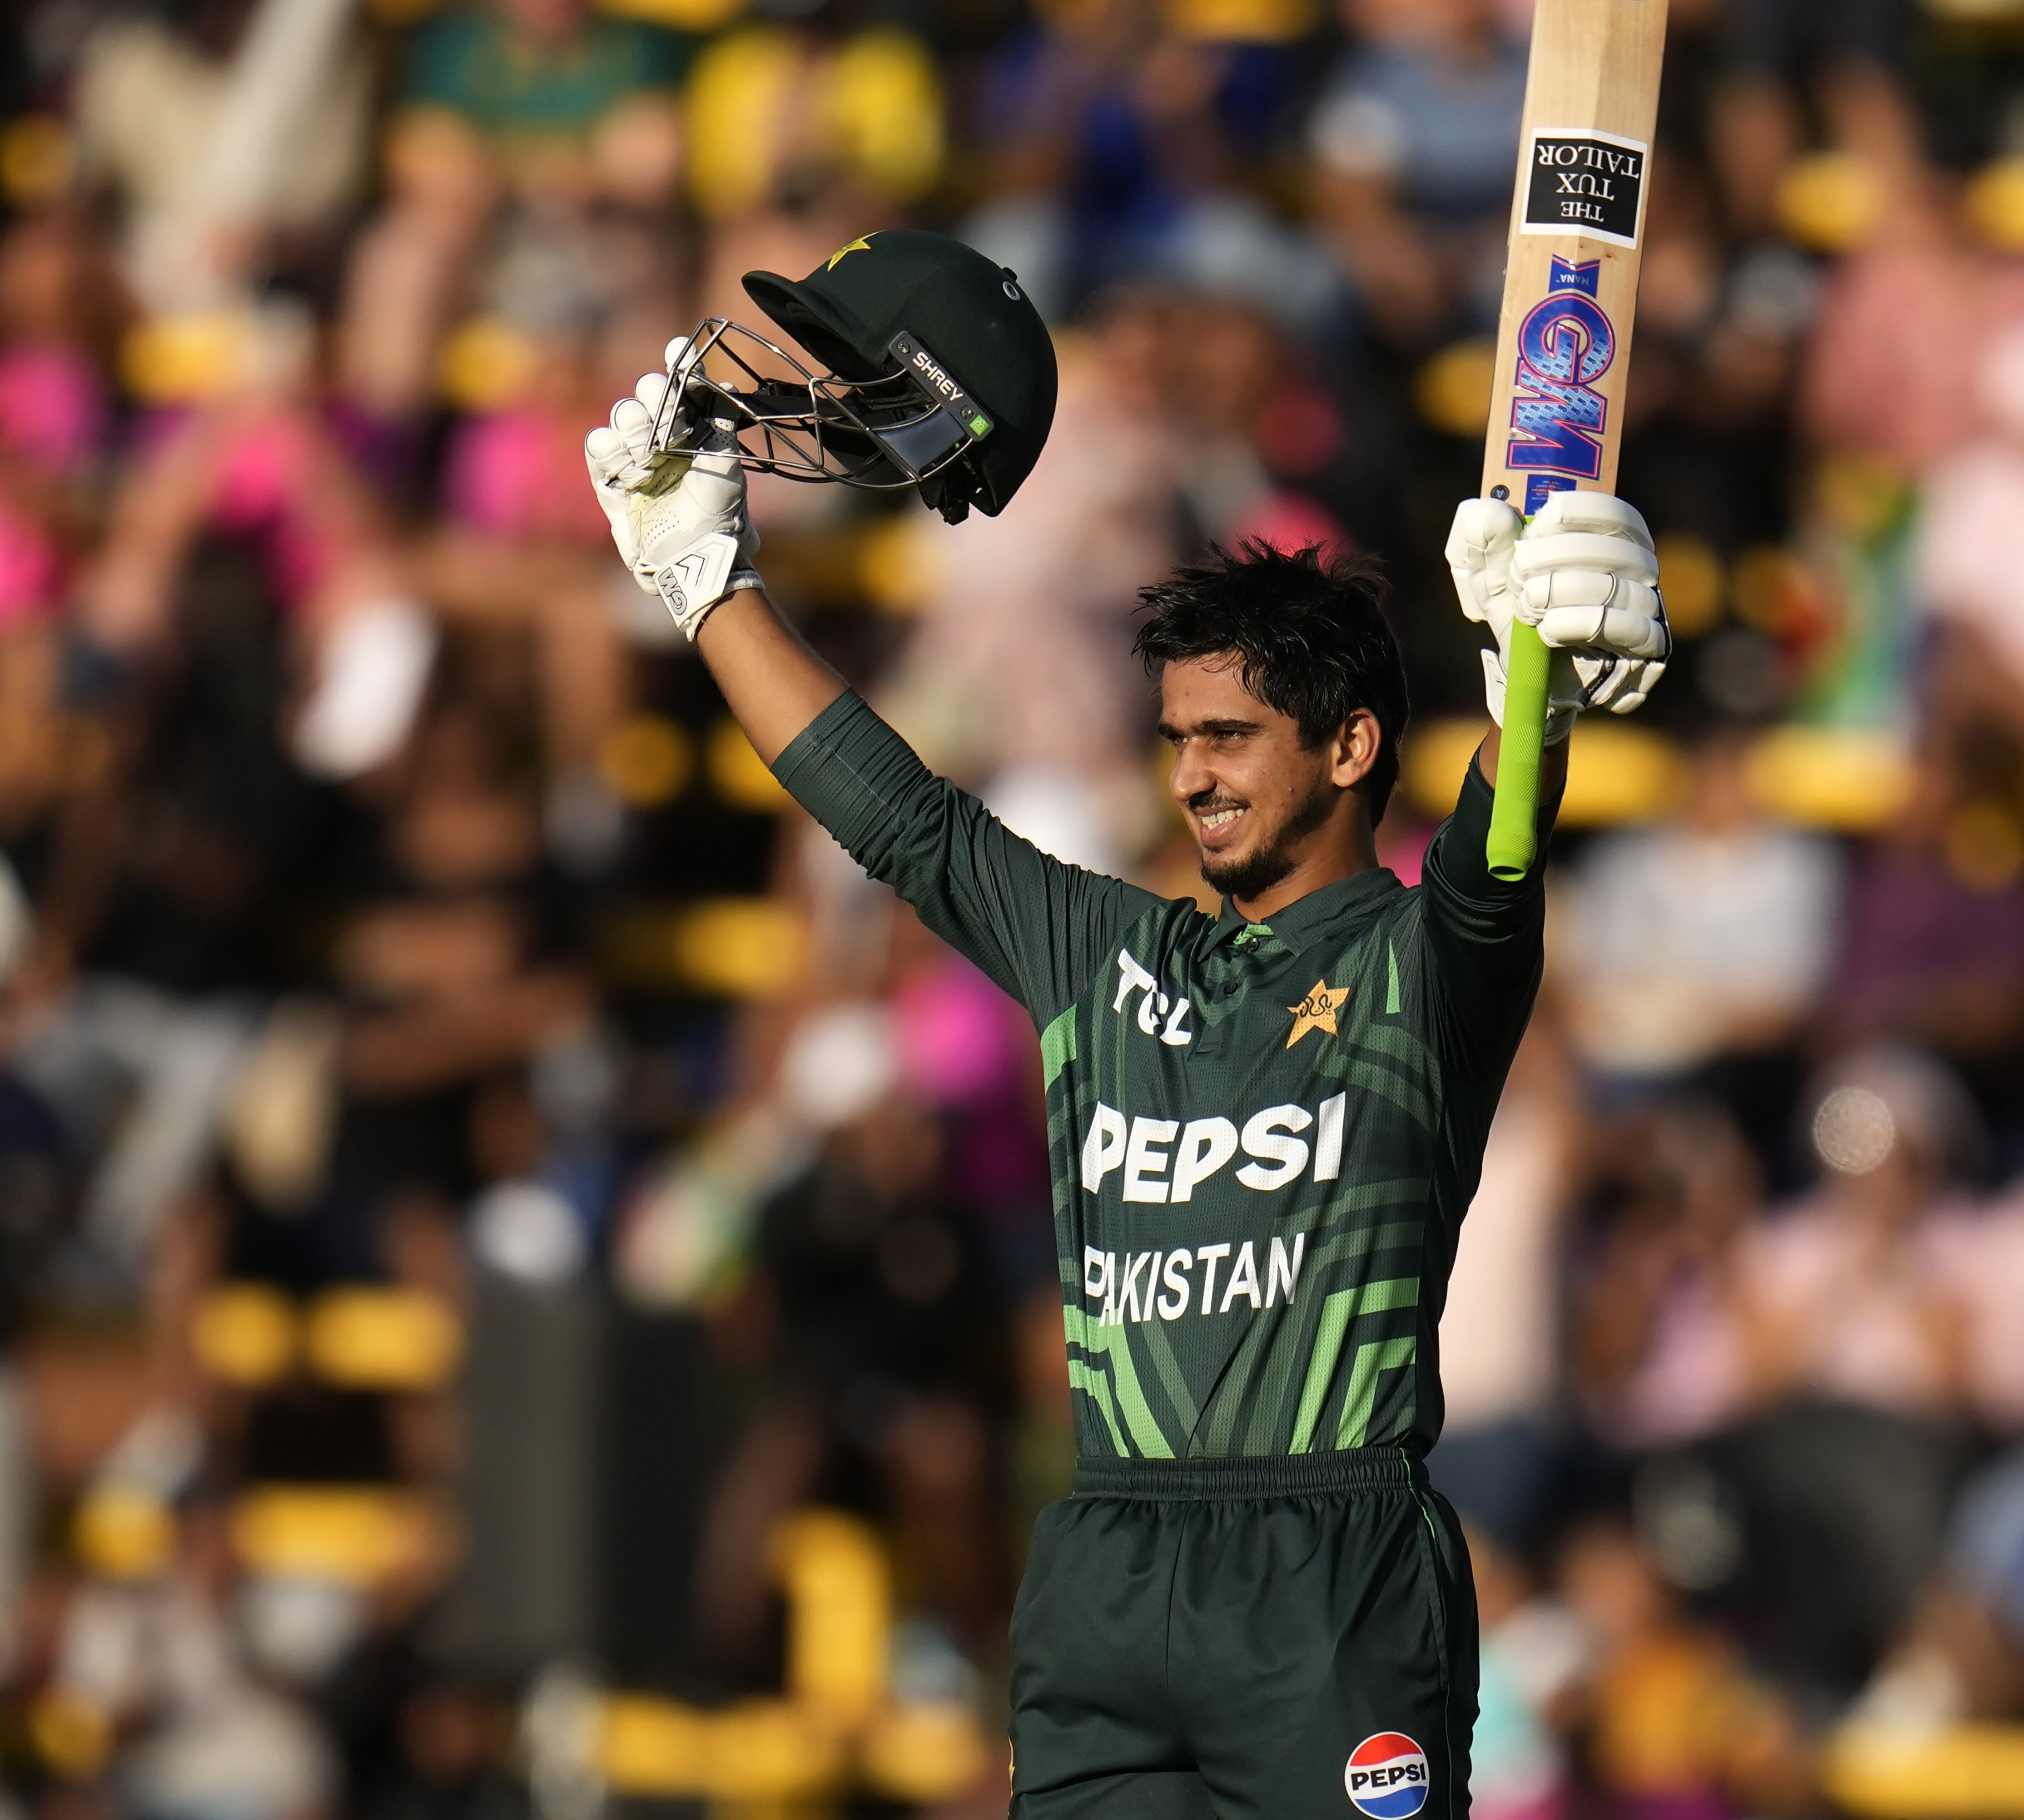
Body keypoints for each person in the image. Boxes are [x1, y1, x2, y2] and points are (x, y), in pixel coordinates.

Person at [581, 228, 1671, 1818]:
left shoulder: (1428, 969)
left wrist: (1537, 689)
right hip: (1107, 1569)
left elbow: (1502, 854)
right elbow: (899, 821)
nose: (1196, 777)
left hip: (1329, 1577)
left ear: (1354, 743)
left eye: (1234, 737)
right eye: (1177, 740)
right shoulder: (1105, 951)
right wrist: (708, 588)